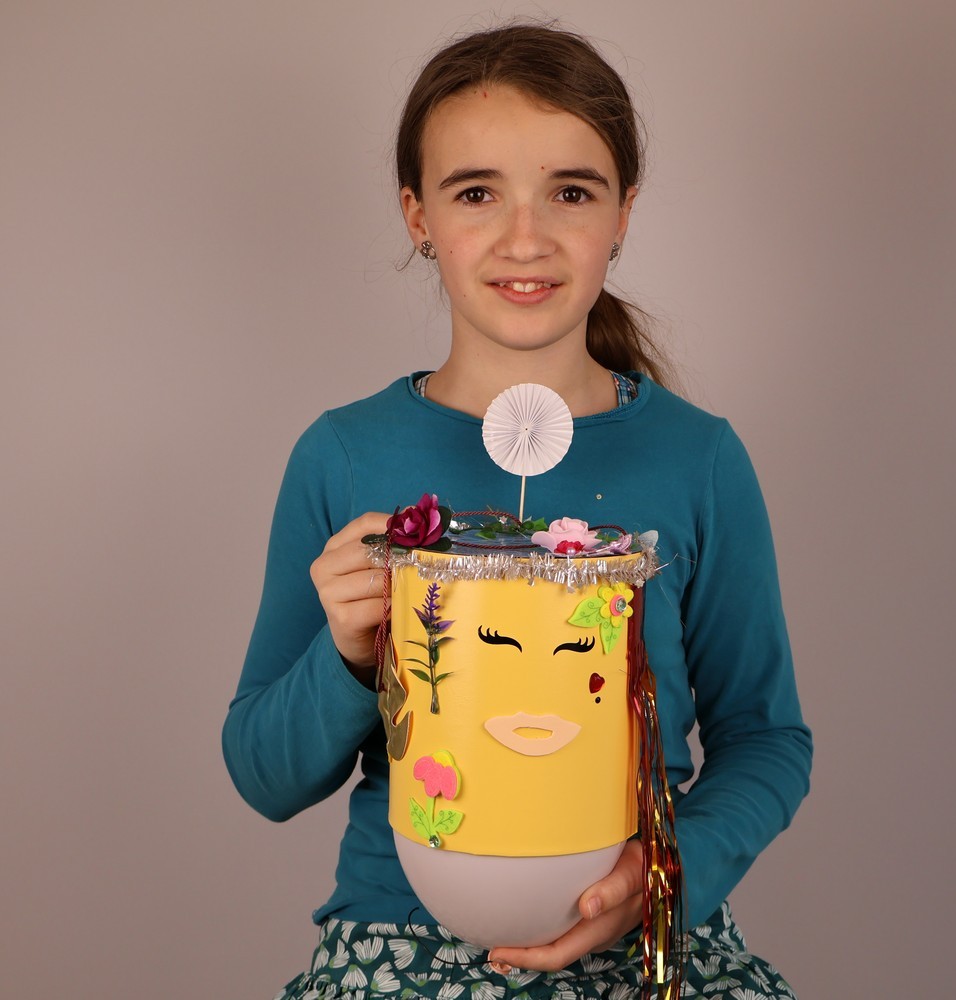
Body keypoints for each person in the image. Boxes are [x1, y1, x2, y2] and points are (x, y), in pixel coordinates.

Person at [223, 22, 812, 1000]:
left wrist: (663, 877)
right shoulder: (344, 456)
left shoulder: (698, 459)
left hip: (643, 938)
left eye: (571, 192)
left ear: (622, 214)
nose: (525, 238)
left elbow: (767, 738)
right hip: (399, 942)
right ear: (417, 215)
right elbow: (264, 774)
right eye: (476, 193)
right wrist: (348, 657)